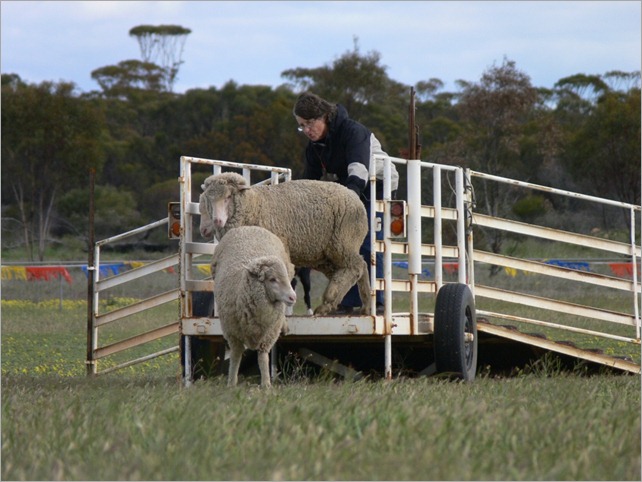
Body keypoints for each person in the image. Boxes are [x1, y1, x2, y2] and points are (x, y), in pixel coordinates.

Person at [293, 92, 398, 315]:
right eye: (302, 126)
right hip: (350, 187)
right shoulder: (314, 147)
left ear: (324, 116)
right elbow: (306, 182)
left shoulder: (353, 131)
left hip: (377, 183)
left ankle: (377, 301)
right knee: (343, 247)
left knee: (366, 241)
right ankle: (348, 303)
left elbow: (359, 168)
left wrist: (346, 201)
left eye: (310, 123)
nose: (307, 130)